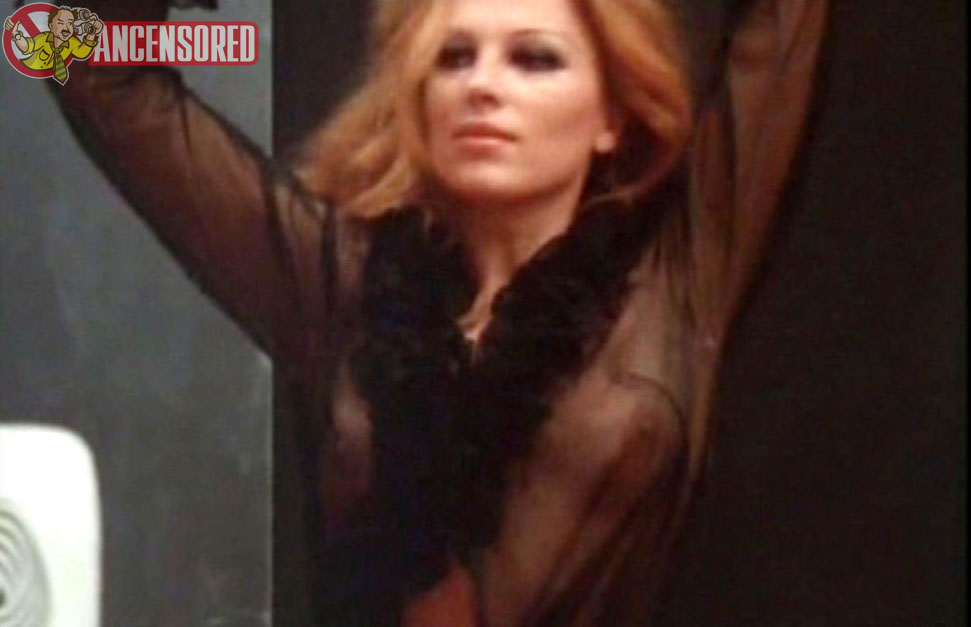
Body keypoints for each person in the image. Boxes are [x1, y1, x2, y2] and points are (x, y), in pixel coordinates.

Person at [51, 0, 827, 624]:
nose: (481, 84)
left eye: (535, 58)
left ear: (610, 118)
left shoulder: (676, 275)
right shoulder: (341, 287)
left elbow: (786, 25)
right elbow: (73, 59)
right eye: (453, 57)